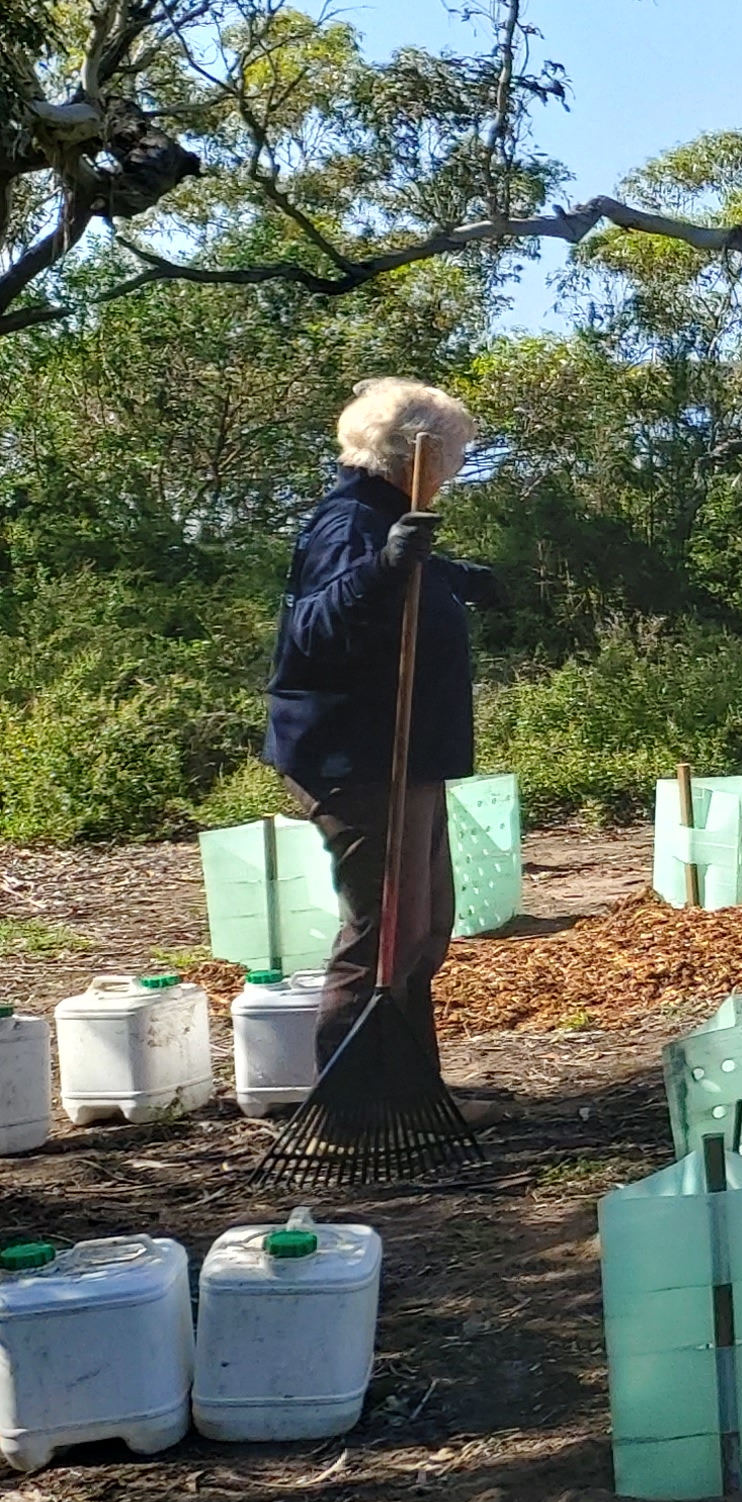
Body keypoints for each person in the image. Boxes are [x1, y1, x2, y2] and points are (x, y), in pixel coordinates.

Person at [264, 378, 500, 1028]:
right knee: (385, 937)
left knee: (419, 932)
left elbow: (375, 600)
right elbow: (315, 629)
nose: (453, 470)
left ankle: (406, 1088)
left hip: (399, 757)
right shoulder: (352, 520)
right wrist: (388, 567)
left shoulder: (372, 515)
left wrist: (445, 575)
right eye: (454, 454)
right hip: (362, 760)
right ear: (415, 453)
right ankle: (355, 1110)